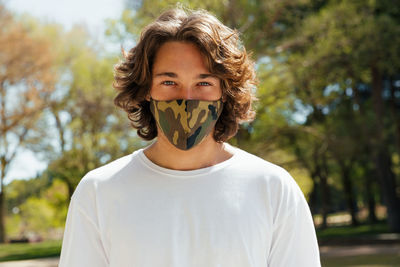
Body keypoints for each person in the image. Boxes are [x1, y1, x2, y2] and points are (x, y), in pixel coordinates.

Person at [59, 6, 321, 267]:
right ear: (147, 89)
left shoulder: (273, 188)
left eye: (203, 83)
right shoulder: (99, 192)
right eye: (169, 82)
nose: (187, 98)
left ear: (224, 90)